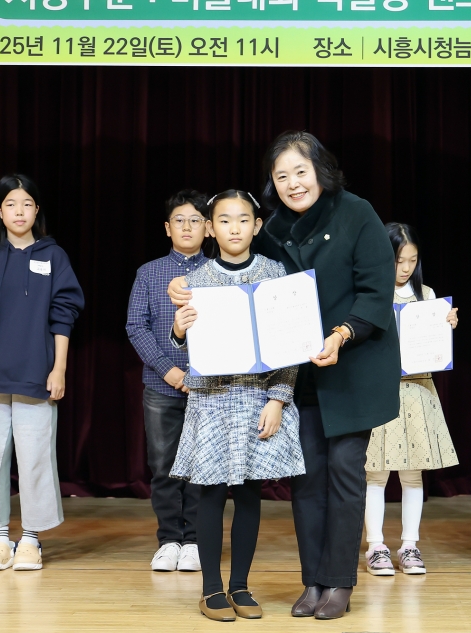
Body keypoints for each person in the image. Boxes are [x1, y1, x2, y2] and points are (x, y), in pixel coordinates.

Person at [170, 131, 400, 620]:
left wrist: (341, 334)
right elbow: (237, 274)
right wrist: (183, 288)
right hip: (301, 373)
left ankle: (339, 582)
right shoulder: (272, 228)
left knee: (344, 472)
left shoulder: (357, 213)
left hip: (352, 366)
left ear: (321, 170)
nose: (293, 183)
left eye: (301, 171)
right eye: (282, 176)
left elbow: (376, 292)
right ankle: (312, 581)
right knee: (307, 481)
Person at [168, 189, 306, 621]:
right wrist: (178, 329)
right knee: (210, 493)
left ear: (257, 225)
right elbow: (185, 345)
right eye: (224, 220)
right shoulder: (195, 282)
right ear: (210, 228)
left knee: (249, 493)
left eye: (243, 219)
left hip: (256, 399)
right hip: (211, 401)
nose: (234, 228)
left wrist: (278, 399)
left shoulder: (274, 273)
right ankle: (211, 589)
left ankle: (240, 586)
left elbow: (290, 344)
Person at [0, 174, 84, 572]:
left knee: (35, 457)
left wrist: (59, 368)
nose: (19, 211)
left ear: (37, 210)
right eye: (11, 204)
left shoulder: (54, 256)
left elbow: (64, 315)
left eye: (27, 204)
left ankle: (30, 539)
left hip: (36, 372)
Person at [363, 222, 459, 576]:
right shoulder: (370, 293)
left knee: (413, 474)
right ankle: (376, 546)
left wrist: (445, 327)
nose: (405, 268)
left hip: (417, 389)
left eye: (412, 261)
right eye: (398, 261)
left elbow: (435, 349)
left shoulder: (427, 295)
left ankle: (409, 545)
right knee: (375, 474)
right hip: (379, 391)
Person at [126, 189, 209, 572]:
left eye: (195, 220)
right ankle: (169, 540)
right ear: (167, 227)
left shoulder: (219, 272)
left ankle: (194, 541)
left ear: (208, 228)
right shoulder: (149, 272)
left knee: (201, 467)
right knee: (163, 467)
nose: (187, 227)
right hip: (161, 388)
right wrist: (169, 371)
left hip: (208, 390)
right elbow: (136, 327)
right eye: (179, 220)